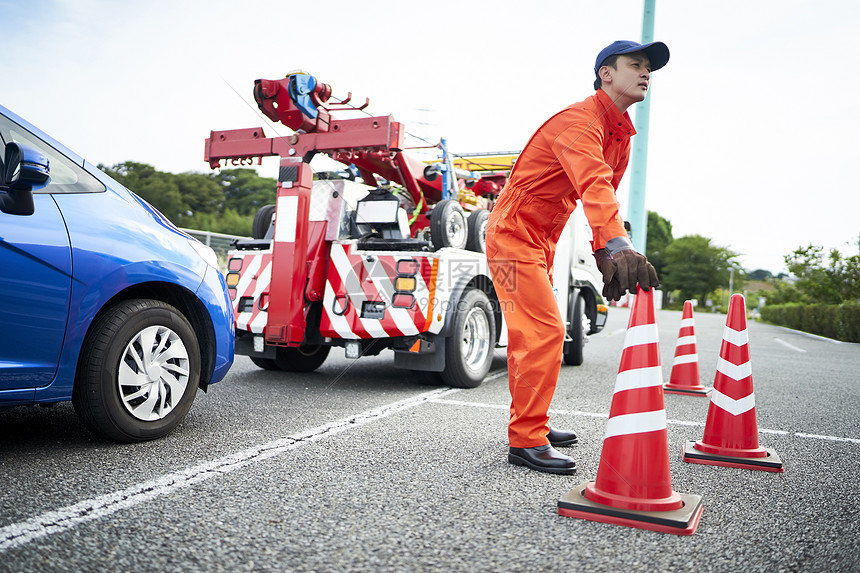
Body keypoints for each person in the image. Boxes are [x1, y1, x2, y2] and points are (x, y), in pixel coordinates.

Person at [486, 40, 668, 475]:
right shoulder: (578, 122)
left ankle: (533, 423)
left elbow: (602, 199)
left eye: (649, 68)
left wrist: (604, 252)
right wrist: (620, 247)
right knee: (544, 331)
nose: (646, 73)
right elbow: (594, 186)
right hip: (511, 237)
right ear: (606, 73)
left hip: (540, 240)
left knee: (536, 333)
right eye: (635, 65)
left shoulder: (618, 136)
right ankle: (526, 439)